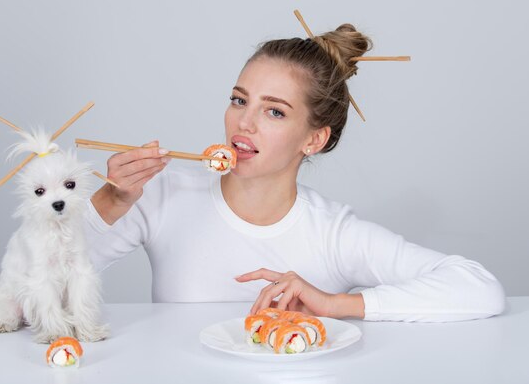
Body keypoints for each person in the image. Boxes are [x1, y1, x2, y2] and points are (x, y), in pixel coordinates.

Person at [84, 24, 505, 322]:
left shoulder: (333, 233)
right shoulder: (159, 195)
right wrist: (106, 205)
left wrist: (335, 304)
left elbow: (478, 288)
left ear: (314, 139)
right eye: (238, 100)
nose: (243, 123)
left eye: (274, 111)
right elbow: (27, 299)